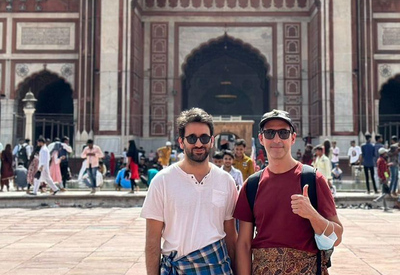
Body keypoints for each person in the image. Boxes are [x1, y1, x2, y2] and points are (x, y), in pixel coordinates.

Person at [235, 109, 342, 275]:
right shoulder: (252, 185)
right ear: (261, 139)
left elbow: (337, 237)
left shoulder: (312, 179)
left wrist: (313, 215)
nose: (277, 139)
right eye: (270, 133)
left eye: (283, 133)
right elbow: (244, 244)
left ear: (292, 138)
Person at [141, 108, 237, 275]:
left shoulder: (225, 181)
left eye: (204, 138)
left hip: (217, 267)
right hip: (178, 268)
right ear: (181, 142)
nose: (198, 144)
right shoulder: (162, 181)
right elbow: (152, 241)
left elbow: (231, 237)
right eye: (192, 138)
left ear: (212, 141)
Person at [373, 147, 391, 212]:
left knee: (384, 191)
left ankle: (385, 207)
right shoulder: (382, 161)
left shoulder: (379, 160)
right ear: (383, 153)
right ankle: (378, 199)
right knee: (387, 192)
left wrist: (388, 165)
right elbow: (384, 170)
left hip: (381, 177)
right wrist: (386, 178)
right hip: (383, 177)